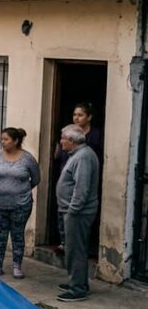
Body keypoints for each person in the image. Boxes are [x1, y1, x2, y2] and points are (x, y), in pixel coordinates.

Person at [0, 128, 40, 278]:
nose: (2, 142)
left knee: (17, 235)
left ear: (15, 141)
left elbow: (35, 179)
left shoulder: (27, 159)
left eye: (6, 139)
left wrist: (19, 191)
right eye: (1, 139)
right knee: (0, 235)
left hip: (20, 204)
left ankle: (17, 265)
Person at [56, 125, 100, 302]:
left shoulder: (83, 157)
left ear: (72, 141)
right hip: (71, 211)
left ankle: (78, 288)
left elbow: (82, 188)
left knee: (76, 250)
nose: (61, 142)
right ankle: (78, 281)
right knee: (73, 248)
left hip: (77, 213)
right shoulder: (77, 155)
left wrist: (73, 211)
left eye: (63, 139)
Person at [53, 102, 104, 250]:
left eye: (80, 115)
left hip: (81, 185)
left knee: (77, 244)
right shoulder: (67, 133)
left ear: (89, 117)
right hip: (67, 177)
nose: (76, 118)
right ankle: (64, 244)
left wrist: (73, 210)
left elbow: (82, 185)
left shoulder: (88, 147)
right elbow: (58, 156)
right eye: (75, 114)